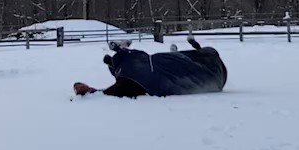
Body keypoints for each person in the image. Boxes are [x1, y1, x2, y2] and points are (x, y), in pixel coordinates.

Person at [73, 37, 227, 97]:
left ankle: (120, 53)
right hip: (195, 70)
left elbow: (115, 91)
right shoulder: (205, 64)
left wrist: (89, 92)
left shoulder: (135, 75)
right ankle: (120, 53)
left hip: (165, 70)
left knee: (143, 62)